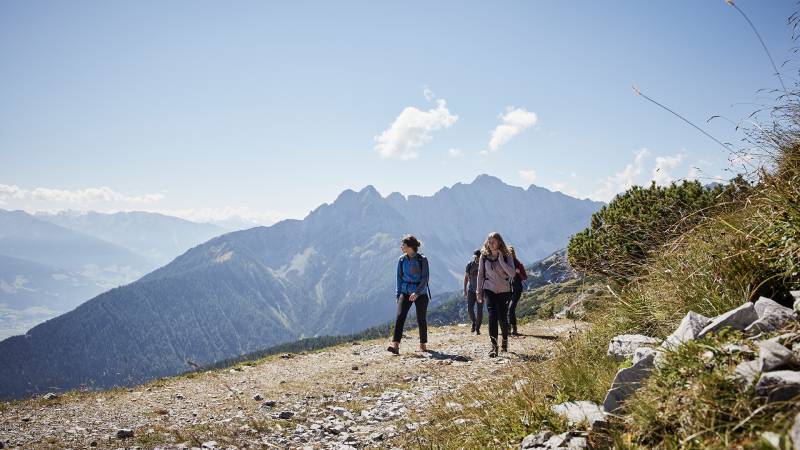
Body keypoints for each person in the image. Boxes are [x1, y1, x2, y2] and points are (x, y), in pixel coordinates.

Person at [387, 234, 430, 355]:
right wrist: (398, 294)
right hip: (405, 292)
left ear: (410, 247)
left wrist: (417, 293)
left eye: (404, 245)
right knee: (400, 316)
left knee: (421, 318)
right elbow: (399, 278)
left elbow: (425, 278)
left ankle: (423, 344)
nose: (402, 247)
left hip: (420, 293)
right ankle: (395, 345)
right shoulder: (401, 260)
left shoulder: (423, 260)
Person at [476, 232, 516, 357]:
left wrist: (500, 259)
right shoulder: (484, 255)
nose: (490, 243)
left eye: (493, 241)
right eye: (489, 241)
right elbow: (480, 274)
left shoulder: (506, 255)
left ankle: (504, 339)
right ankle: (494, 347)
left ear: (499, 242)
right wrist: (479, 291)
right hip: (489, 289)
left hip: (504, 291)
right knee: (492, 317)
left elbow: (512, 273)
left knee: (502, 318)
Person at [508, 246, 528, 336]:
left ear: (513, 254)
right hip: (507, 289)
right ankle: (508, 328)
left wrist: (519, 272)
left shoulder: (519, 264)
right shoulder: (506, 263)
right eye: (508, 254)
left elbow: (525, 277)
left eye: (510, 254)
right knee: (506, 308)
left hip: (517, 289)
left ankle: (514, 328)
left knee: (511, 308)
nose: (509, 256)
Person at [463, 249, 483, 334]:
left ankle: (477, 328)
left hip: (481, 291)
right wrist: (465, 289)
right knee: (469, 309)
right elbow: (466, 277)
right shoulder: (470, 265)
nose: (477, 258)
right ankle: (474, 322)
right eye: (476, 257)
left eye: (478, 257)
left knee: (480, 310)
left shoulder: (484, 265)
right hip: (471, 290)